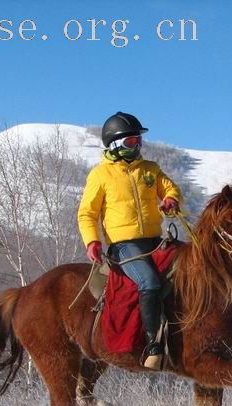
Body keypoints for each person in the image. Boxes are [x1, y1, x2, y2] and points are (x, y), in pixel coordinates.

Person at [78, 111, 182, 370]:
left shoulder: (150, 169)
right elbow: (87, 213)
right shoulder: (100, 175)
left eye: (139, 141)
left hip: (155, 240)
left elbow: (170, 187)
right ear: (114, 144)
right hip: (125, 247)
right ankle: (153, 345)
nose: (137, 146)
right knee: (148, 281)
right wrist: (92, 242)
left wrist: (171, 199)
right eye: (131, 142)